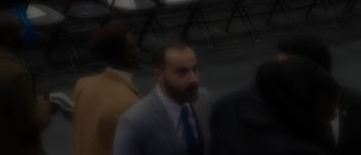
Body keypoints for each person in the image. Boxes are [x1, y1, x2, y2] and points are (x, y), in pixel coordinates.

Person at [210, 59, 340, 155]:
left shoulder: (227, 105)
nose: (334, 117)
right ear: (302, 113)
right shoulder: (302, 150)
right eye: (328, 114)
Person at [0, 9, 51, 155]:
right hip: (9, 147)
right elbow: (32, 124)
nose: (24, 33)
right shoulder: (16, 74)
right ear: (8, 37)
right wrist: (47, 106)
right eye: (20, 30)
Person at [114, 40, 212, 155]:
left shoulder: (204, 99)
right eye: (182, 72)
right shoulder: (134, 121)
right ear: (158, 75)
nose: (194, 79)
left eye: (194, 69)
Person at [71, 22, 141, 155]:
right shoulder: (130, 102)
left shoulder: (83, 84)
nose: (138, 50)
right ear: (126, 55)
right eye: (134, 47)